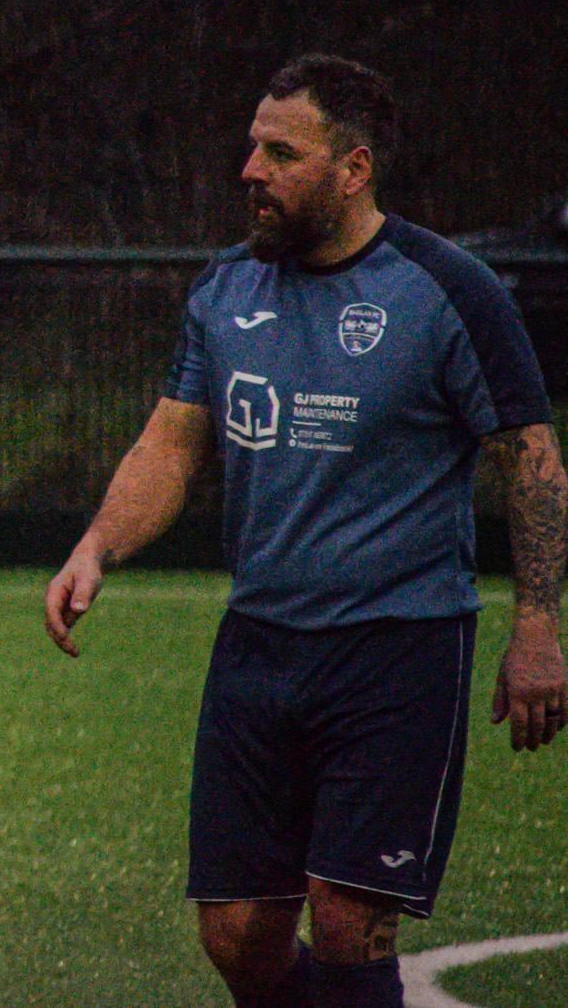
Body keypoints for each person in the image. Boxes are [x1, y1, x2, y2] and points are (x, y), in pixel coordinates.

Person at [46, 54, 565, 1008]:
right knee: (239, 934)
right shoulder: (225, 289)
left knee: (346, 922)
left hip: (398, 648)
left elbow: (530, 457)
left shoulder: (449, 290)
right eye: (252, 146)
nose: (251, 170)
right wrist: (96, 546)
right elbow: (170, 444)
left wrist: (537, 622)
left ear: (354, 168)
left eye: (281, 152)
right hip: (259, 643)